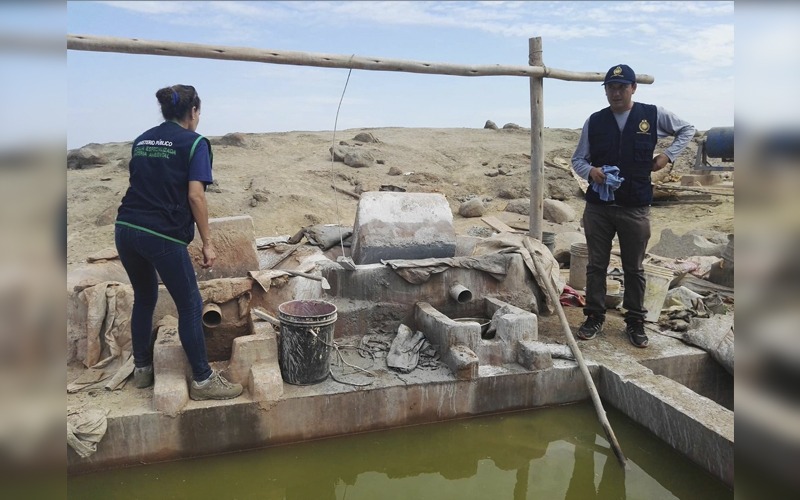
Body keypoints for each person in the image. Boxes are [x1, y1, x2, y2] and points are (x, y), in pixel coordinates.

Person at [115, 84, 243, 400]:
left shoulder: (142, 140)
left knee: (145, 297)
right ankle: (203, 380)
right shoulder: (195, 143)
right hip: (161, 235)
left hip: (126, 228)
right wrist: (207, 242)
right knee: (190, 304)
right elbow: (196, 196)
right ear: (193, 111)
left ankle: (142, 370)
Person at [571, 64, 696, 348]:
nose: (616, 93)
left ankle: (636, 321)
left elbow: (687, 129)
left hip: (635, 205)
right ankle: (594, 317)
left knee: (634, 267)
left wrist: (668, 155)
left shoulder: (652, 115)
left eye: (622, 87)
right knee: (596, 265)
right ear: (605, 90)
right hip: (599, 208)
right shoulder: (595, 121)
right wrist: (591, 172)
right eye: (610, 88)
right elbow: (578, 159)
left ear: (633, 88)